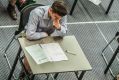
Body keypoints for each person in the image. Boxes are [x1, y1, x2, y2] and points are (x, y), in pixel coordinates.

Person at [19, 1, 67, 79]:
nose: (57, 20)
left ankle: (34, 71)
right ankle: (24, 73)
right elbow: (30, 35)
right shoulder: (36, 13)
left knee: (55, 57)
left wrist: (59, 27)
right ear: (50, 10)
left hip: (49, 37)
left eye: (59, 18)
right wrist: (45, 34)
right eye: (55, 17)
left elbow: (64, 32)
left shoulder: (61, 14)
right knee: (30, 57)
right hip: (34, 36)